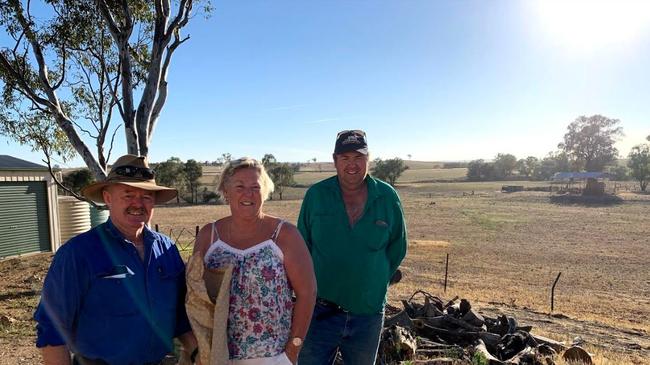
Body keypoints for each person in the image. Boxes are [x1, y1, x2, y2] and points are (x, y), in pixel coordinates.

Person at [34, 154, 200, 365]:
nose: (138, 203)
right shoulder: (78, 253)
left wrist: (196, 352)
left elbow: (179, 316)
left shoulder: (166, 249)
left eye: (147, 196)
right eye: (128, 195)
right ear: (108, 198)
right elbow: (52, 328)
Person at [297, 130, 408, 364]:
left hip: (367, 315)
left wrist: (373, 281)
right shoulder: (316, 195)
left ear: (368, 159)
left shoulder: (387, 197)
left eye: (358, 157)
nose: (352, 164)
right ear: (335, 160)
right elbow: (302, 247)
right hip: (319, 312)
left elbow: (397, 247)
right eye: (345, 158)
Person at [193, 157, 316, 365]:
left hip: (273, 357)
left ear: (265, 192)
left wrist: (292, 350)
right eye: (239, 186)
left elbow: (307, 292)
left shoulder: (284, 235)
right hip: (219, 356)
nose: (248, 194)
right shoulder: (209, 236)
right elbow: (194, 293)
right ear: (226, 190)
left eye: (255, 187)